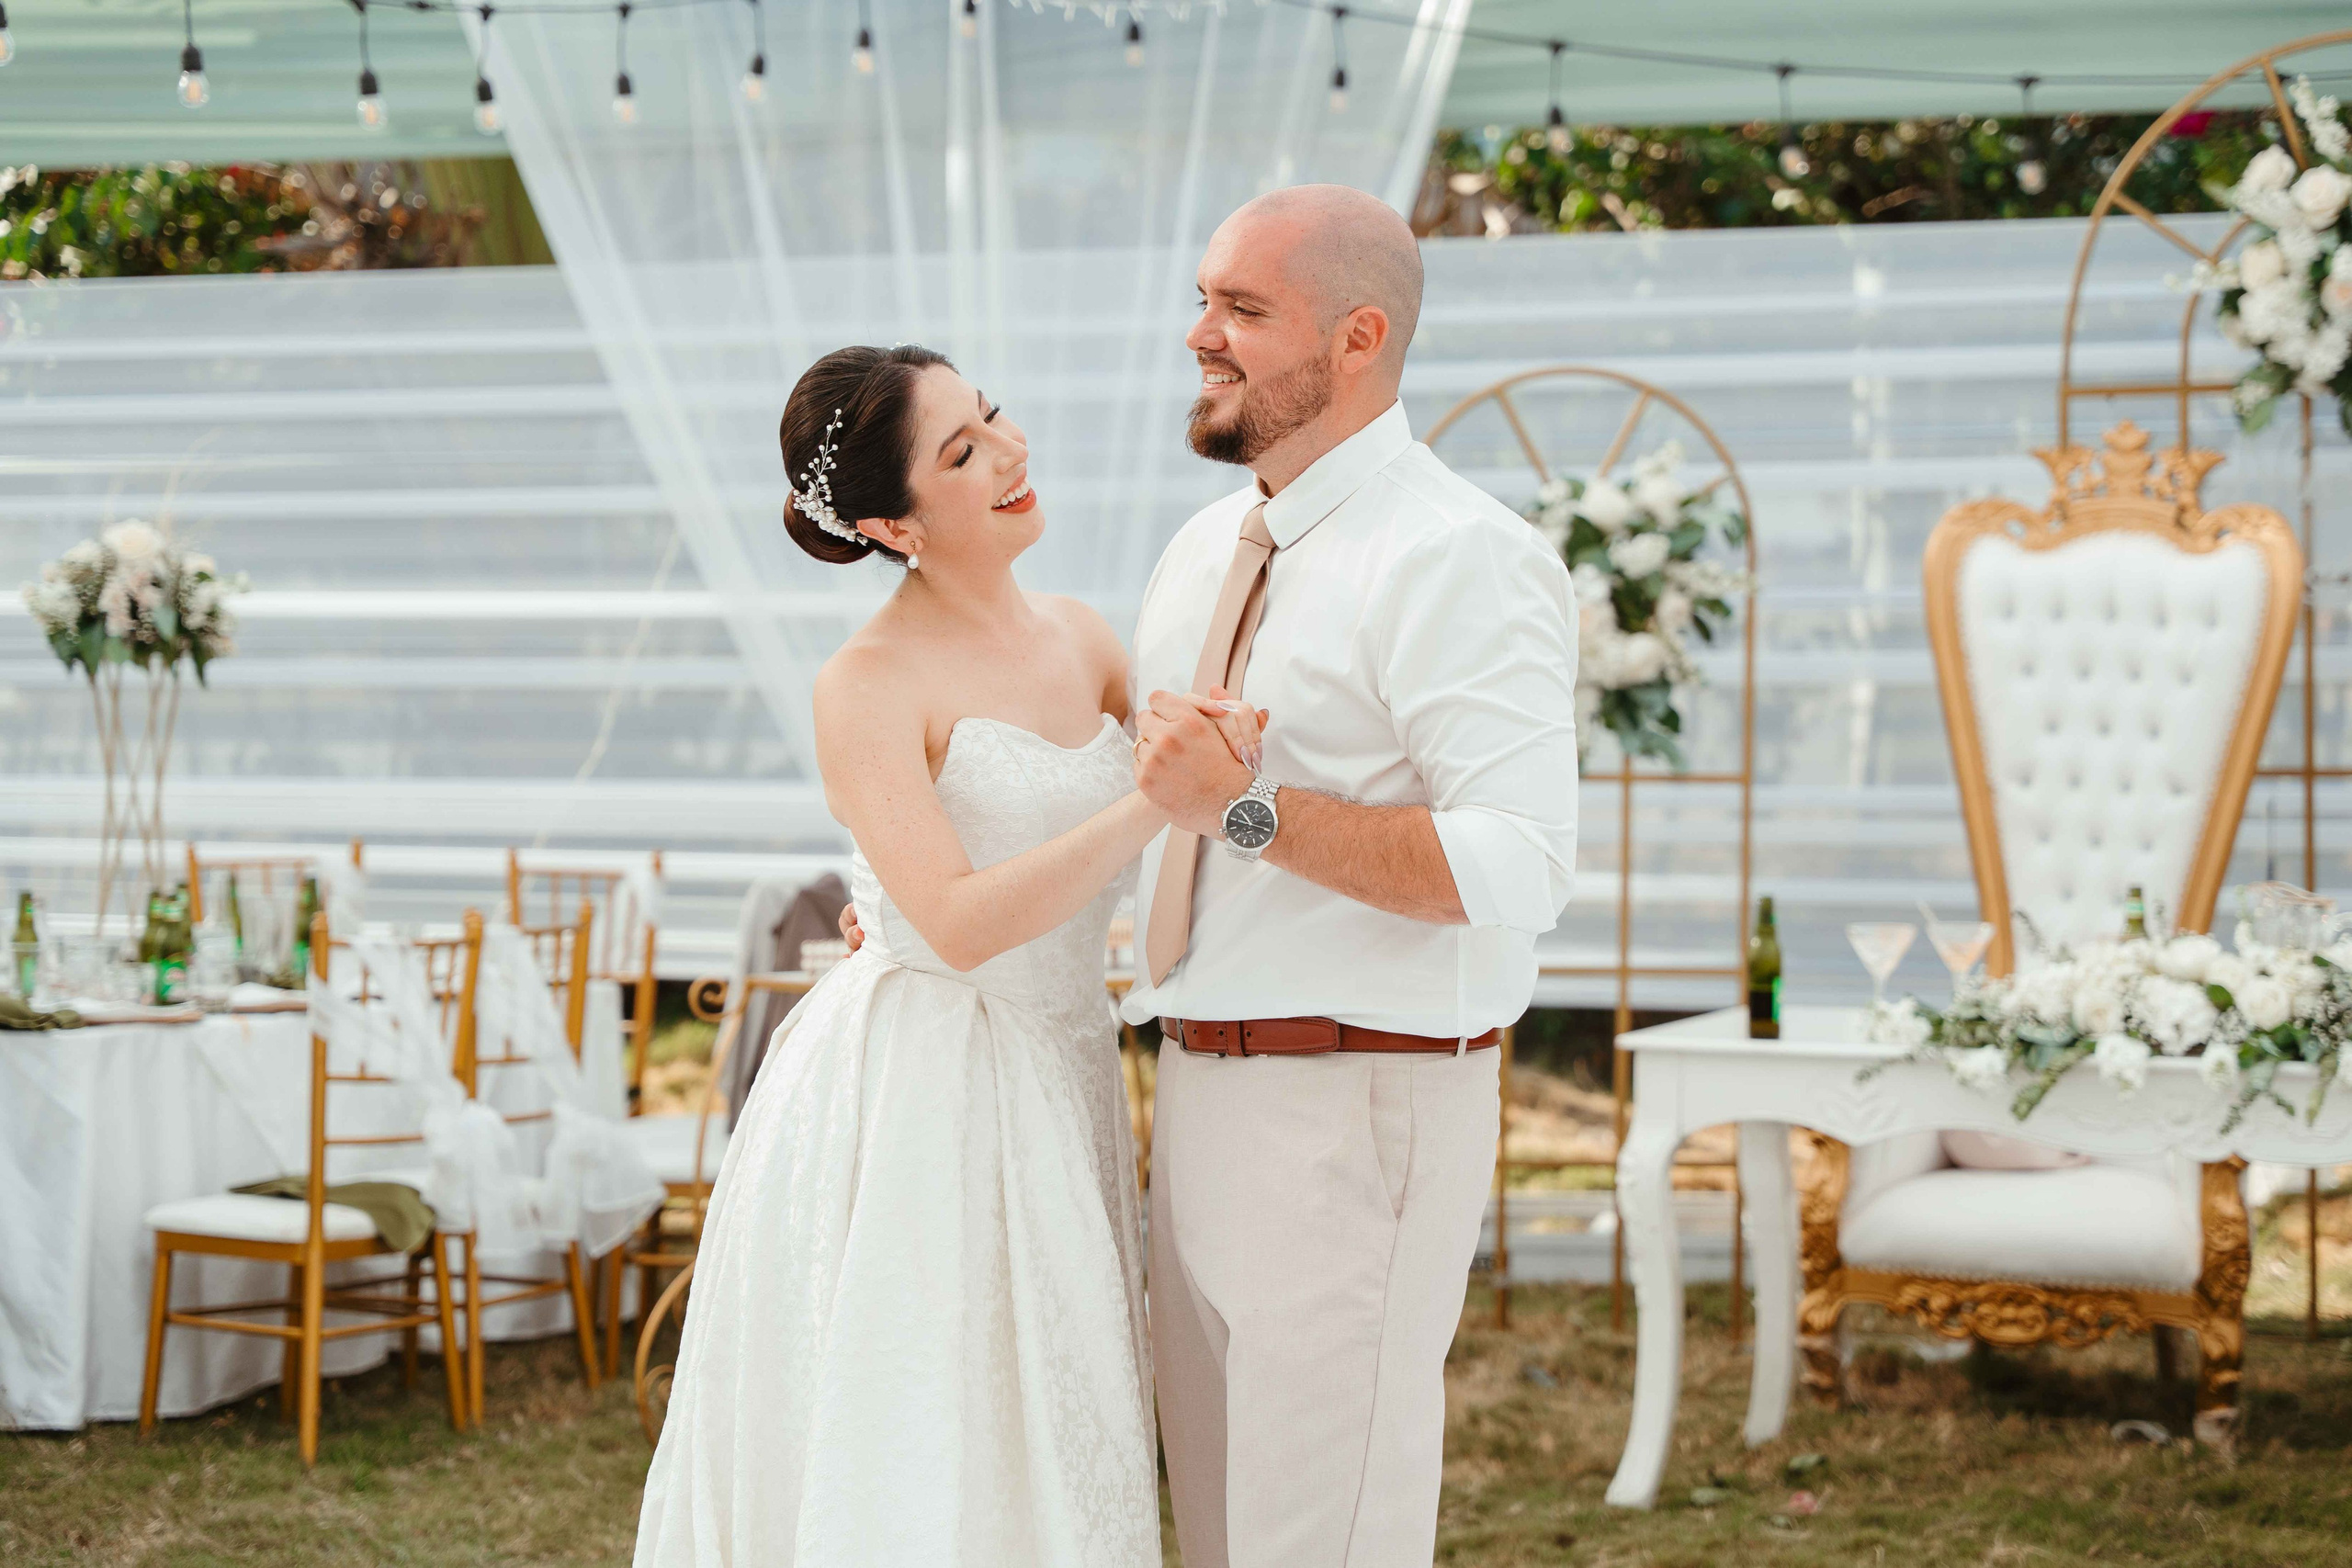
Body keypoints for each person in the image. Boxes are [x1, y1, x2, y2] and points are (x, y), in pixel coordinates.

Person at [631, 344, 1258, 1567]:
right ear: (890, 524)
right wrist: (1154, 800)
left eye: (995, 417)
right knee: (933, 1415)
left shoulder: (1085, 639)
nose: (1010, 452)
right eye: (962, 452)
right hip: (931, 1080)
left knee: (1060, 1405)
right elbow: (960, 923)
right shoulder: (864, 683)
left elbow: (1194, 821)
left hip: (1066, 1059)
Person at [1124, 185, 1580, 1568]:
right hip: (1193, 1086)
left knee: (1325, 1542)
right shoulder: (1202, 551)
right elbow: (1148, 813)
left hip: (1360, 1105)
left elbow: (1519, 863)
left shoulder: (1460, 556)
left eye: (1243, 309)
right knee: (1217, 1537)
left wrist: (1247, 810)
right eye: (1202, 300)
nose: (1201, 334)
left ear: (1359, 336)